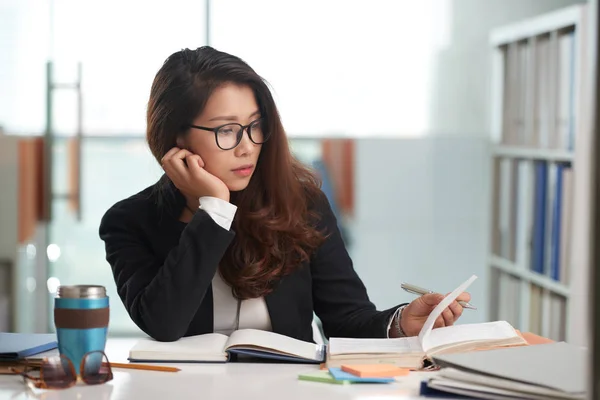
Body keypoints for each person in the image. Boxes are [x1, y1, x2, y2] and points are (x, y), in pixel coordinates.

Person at [99, 46, 470, 343]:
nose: (247, 147)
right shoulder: (128, 222)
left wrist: (401, 322)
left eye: (255, 126)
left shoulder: (303, 204)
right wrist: (213, 209)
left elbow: (345, 321)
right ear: (175, 137)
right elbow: (163, 324)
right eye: (226, 130)